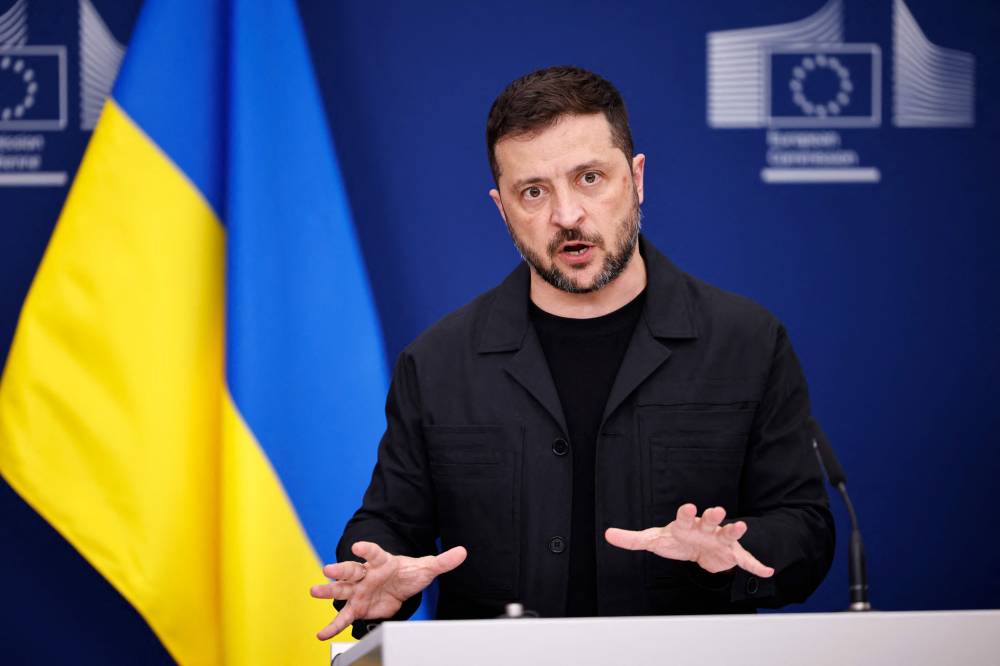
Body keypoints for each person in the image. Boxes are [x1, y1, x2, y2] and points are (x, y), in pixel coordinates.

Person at [310, 65, 835, 640]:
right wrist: (378, 570)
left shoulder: (747, 343)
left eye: (589, 178)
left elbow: (805, 533)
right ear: (502, 208)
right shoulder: (437, 363)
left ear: (637, 179)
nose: (566, 216)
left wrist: (731, 550)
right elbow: (389, 525)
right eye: (533, 192)